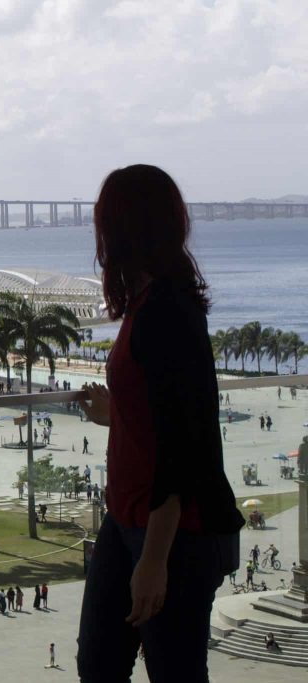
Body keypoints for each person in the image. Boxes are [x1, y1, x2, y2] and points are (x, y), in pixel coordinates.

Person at [76, 165, 244, 683]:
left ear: (122, 228)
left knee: (174, 674)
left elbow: (181, 448)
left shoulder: (165, 312)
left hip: (173, 533)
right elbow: (162, 411)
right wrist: (115, 415)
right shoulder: (148, 304)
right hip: (128, 520)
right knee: (99, 665)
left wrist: (154, 560)